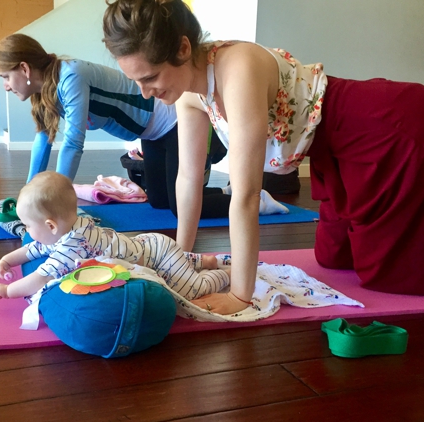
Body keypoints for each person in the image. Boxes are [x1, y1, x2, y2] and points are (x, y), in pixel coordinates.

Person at [102, 0, 424, 314]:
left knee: (383, 271)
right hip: (331, 154)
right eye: (136, 81)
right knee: (333, 258)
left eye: (150, 78)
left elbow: (246, 194)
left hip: (380, 128)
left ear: (183, 49)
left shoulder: (238, 67)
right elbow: (188, 179)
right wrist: (181, 261)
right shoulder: (189, 96)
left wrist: (241, 294)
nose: (145, 92)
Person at [0, 33, 284, 219]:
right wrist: (28, 194)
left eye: (6, 76)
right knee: (157, 202)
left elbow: (73, 142)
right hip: (150, 134)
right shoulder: (45, 95)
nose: (5, 86)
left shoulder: (71, 76)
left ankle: (256, 201)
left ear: (25, 69)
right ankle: (228, 193)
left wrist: (52, 201)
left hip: (173, 120)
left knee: (179, 207)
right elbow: (43, 141)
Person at [0, 171, 230, 301]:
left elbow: (39, 279)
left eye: (27, 226)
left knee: (191, 292)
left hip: (158, 256)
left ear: (51, 226)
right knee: (178, 264)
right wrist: (7, 260)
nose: (28, 233)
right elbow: (33, 249)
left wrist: (7, 291)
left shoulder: (71, 247)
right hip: (147, 246)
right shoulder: (72, 226)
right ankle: (203, 261)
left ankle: (223, 273)